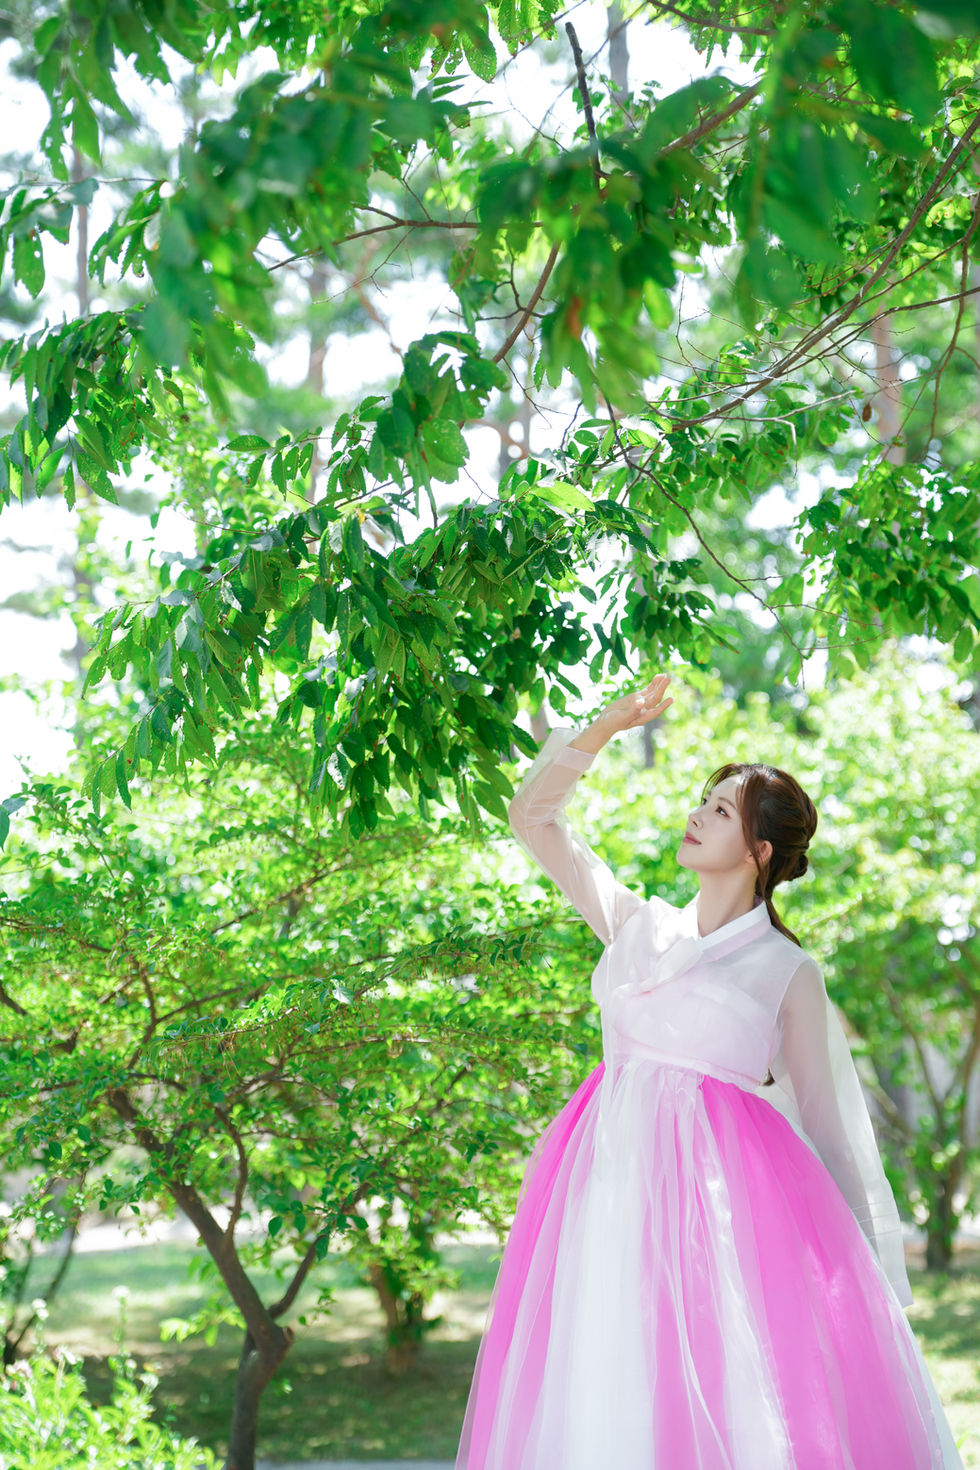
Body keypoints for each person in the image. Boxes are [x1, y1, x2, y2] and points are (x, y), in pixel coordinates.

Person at [455, 674, 964, 1470]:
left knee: (724, 1408)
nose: (696, 815)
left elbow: (830, 1128)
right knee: (607, 1393)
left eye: (721, 811)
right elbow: (533, 818)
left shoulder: (786, 971)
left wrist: (867, 1286)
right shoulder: (637, 925)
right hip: (608, 1201)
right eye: (703, 801)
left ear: (761, 852)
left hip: (721, 1227)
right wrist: (604, 727)